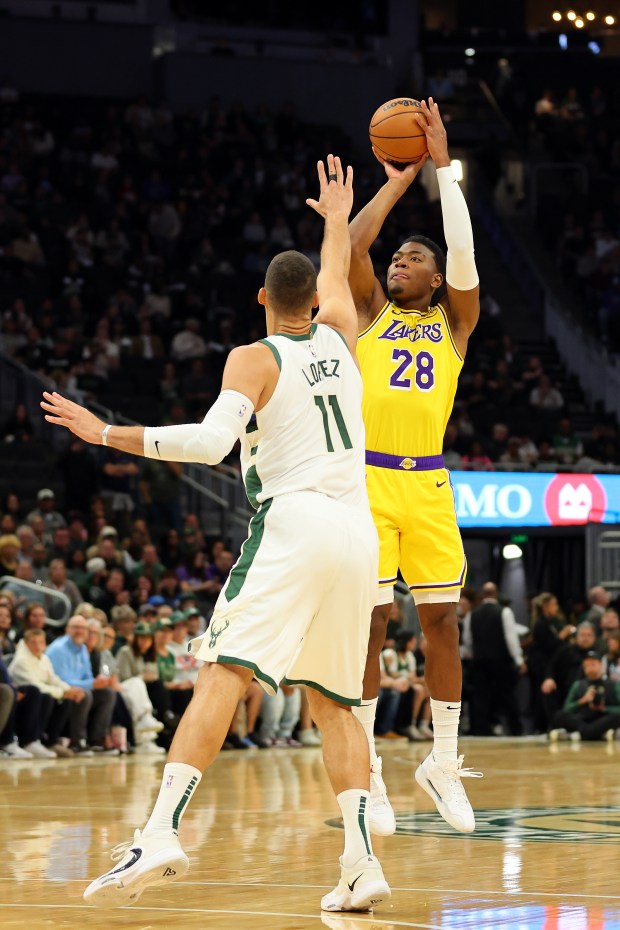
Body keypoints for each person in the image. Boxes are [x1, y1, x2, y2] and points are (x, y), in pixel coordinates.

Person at [41, 154, 390, 913]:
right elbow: (336, 276)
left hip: (295, 523)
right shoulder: (344, 335)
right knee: (335, 704)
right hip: (357, 535)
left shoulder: (252, 356)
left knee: (222, 671)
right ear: (316, 301)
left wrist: (106, 432)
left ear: (262, 298)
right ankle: (361, 862)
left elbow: (208, 445)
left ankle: (162, 829)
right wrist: (337, 222)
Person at [347, 97, 481, 834]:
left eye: (415, 258)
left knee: (441, 625)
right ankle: (367, 768)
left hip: (427, 482)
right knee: (369, 626)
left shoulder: (457, 324)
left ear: (436, 280)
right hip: (366, 481)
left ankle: (442, 761)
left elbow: (463, 255)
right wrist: (397, 181)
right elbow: (352, 250)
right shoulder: (371, 312)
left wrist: (442, 169)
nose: (401, 261)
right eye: (401, 256)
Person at [549, 651, 620, 742]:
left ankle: (577, 735)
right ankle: (596, 734)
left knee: (616, 717)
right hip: (582, 719)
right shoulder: (578, 685)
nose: (590, 668)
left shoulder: (614, 685)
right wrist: (582, 700)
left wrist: (604, 708)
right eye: (586, 666)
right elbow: (566, 708)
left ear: (601, 665)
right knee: (558, 715)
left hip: (602, 718)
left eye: (593, 664)